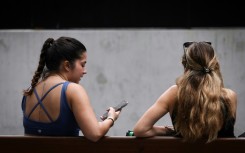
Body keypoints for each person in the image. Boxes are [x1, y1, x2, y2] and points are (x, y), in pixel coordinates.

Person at [133, 41, 237, 143]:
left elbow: (141, 129)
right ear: (215, 65)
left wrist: (168, 131)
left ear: (186, 66)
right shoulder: (229, 96)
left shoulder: (174, 93)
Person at [21, 36, 121, 142]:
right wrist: (111, 118)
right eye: (82, 65)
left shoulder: (29, 91)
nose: (85, 71)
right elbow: (94, 133)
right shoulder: (73, 90)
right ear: (67, 65)